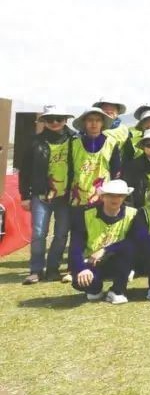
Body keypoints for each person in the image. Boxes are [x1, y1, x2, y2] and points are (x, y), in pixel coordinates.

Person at [18, 105, 76, 284]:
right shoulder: (34, 141)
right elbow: (25, 171)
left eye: (59, 118)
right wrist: (25, 196)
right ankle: (36, 270)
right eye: (50, 119)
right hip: (41, 194)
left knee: (61, 233)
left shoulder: (76, 140)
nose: (55, 122)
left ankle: (53, 269)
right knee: (38, 233)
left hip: (66, 195)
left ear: (66, 120)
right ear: (43, 121)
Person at [69, 179, 137, 304]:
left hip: (119, 260)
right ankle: (95, 289)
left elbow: (134, 242)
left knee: (129, 249)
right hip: (92, 262)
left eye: (120, 195)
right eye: (110, 195)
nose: (115, 199)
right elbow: (75, 247)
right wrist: (81, 269)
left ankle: (117, 291)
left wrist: (105, 250)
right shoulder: (85, 215)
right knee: (83, 284)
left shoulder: (133, 214)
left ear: (124, 197)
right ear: (103, 196)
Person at [68, 106, 123, 209]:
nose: (94, 123)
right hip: (78, 198)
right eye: (90, 120)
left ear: (102, 123)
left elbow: (116, 171)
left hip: (102, 198)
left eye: (98, 120)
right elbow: (69, 170)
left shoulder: (111, 143)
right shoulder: (74, 144)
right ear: (84, 123)